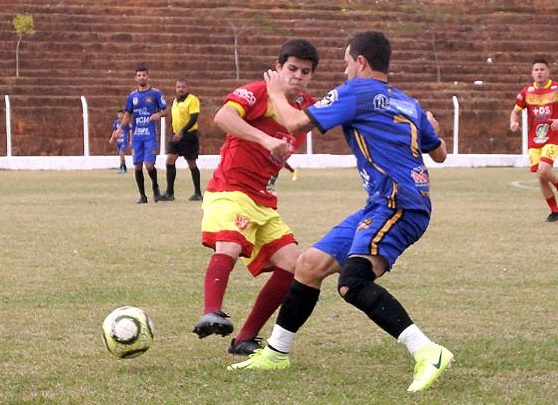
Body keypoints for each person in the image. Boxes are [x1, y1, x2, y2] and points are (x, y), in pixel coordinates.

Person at [229, 30, 452, 393]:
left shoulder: (356, 91)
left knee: (353, 283)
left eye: (347, 63)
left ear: (361, 62)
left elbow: (295, 123)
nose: (345, 70)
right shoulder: (407, 102)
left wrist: (274, 92)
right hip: (387, 201)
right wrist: (436, 133)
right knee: (309, 265)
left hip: (398, 204)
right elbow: (439, 153)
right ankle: (276, 353)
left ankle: (427, 351)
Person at [194, 39, 319, 356]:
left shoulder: (307, 106)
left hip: (263, 200)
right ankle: (211, 312)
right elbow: (223, 117)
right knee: (230, 244)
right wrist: (265, 139)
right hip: (230, 190)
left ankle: (245, 338)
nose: (297, 76)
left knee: (294, 265)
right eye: (291, 68)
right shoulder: (257, 92)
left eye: (305, 72)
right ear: (278, 67)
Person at [510, 58, 558, 222]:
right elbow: (515, 111)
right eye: (536, 70)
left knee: (544, 170)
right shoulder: (527, 92)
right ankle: (554, 211)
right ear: (532, 73)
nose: (539, 72)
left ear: (548, 72)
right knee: (541, 176)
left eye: (542, 69)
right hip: (534, 139)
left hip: (552, 137)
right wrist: (513, 122)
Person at [114, 65, 167, 203]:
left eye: (144, 75)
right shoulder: (132, 96)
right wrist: (120, 129)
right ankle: (142, 196)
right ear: (135, 78)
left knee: (149, 165)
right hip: (137, 137)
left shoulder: (155, 93)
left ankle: (155, 187)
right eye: (139, 75)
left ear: (148, 77)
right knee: (137, 165)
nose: (141, 77)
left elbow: (167, 110)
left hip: (150, 135)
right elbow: (127, 115)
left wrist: (159, 114)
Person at [160, 79, 203, 202]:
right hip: (176, 136)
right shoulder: (175, 101)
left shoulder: (192, 100)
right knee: (170, 160)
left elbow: (193, 118)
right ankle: (170, 193)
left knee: (191, 163)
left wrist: (182, 132)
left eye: (183, 87)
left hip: (188, 135)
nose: (181, 89)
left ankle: (198, 193)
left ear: (187, 88)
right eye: (178, 87)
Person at [108, 109, 132, 174]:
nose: (119, 115)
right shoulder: (116, 122)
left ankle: (123, 167)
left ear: (123, 115)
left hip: (124, 140)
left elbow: (130, 130)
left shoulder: (126, 122)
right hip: (118, 141)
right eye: (118, 114)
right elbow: (114, 131)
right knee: (120, 154)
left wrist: (130, 140)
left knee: (121, 152)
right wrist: (112, 138)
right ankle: (122, 167)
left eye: (121, 114)